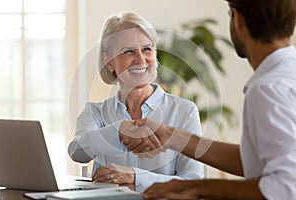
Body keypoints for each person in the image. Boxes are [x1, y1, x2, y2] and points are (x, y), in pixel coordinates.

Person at [121, 0, 296, 199]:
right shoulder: (286, 75)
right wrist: (172, 136)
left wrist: (198, 189)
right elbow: (256, 160)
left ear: (237, 18)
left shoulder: (268, 88)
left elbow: (285, 187)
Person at [68, 11, 204, 190]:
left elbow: (193, 181)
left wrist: (134, 176)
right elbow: (77, 152)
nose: (141, 59)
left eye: (147, 49)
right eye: (129, 51)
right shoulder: (96, 112)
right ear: (108, 61)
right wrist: (119, 130)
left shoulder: (184, 111)